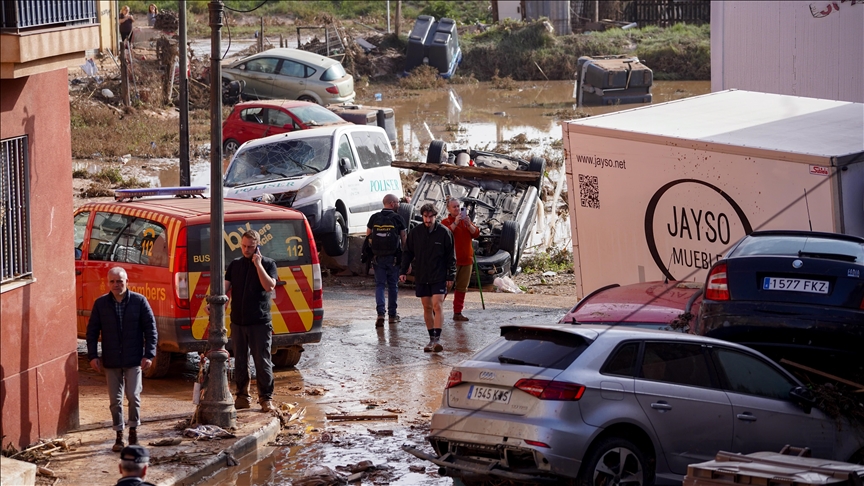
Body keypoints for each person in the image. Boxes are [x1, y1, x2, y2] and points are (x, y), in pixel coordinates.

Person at [86, 267, 158, 452]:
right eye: (112, 281)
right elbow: (92, 332)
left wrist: (149, 354)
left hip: (134, 359)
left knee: (133, 395)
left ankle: (133, 430)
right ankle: (119, 435)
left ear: (127, 281)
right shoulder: (101, 304)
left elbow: (151, 330)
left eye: (120, 281)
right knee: (114, 400)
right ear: (107, 283)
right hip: (111, 360)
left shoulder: (139, 301)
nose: (116, 285)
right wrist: (93, 356)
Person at [225, 230, 278, 413]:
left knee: (262, 361)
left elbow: (269, 285)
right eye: (244, 246)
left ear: (258, 246)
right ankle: (242, 396)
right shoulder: (235, 265)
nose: (246, 250)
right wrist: (218, 304)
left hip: (259, 322)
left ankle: (266, 398)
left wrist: (258, 265)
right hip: (238, 322)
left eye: (250, 247)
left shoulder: (268, 264)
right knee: (240, 360)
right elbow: (225, 289)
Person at [400, 203, 455, 352]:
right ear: (422, 216)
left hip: (439, 274)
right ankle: (431, 339)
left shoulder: (444, 233)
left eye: (430, 217)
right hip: (422, 275)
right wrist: (403, 270)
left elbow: (451, 256)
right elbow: (408, 253)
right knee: (427, 307)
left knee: (437, 305)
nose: (428, 220)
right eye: (425, 216)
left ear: (435, 217)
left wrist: (451, 275)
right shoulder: (416, 233)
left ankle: (437, 339)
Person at [366, 194, 407, 327]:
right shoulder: (398, 218)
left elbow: (368, 236)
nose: (399, 205)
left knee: (379, 285)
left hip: (377, 258)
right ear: (392, 203)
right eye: (397, 203)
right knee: (393, 286)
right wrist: (406, 259)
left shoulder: (374, 217)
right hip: (393, 258)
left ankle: (380, 314)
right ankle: (392, 315)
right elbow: (404, 240)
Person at [441, 198, 480, 321]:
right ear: (448, 209)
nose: (457, 209)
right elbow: (445, 235)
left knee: (462, 288)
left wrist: (469, 225)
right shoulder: (445, 222)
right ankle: (436, 310)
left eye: (458, 206)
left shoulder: (465, 221)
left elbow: (476, 233)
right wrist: (455, 223)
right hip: (451, 261)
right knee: (446, 287)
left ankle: (457, 312)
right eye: (454, 207)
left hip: (467, 259)